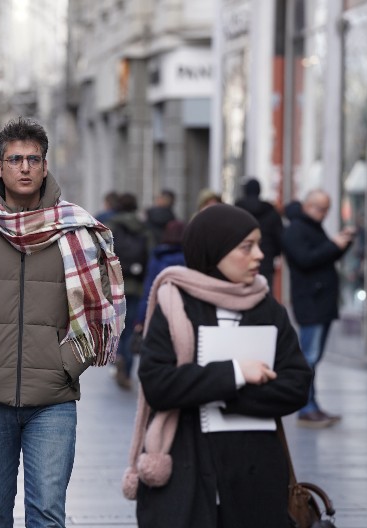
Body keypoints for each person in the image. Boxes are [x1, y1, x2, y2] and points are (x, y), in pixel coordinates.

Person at [0, 117, 126, 528]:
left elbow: (96, 309)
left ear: (45, 166)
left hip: (54, 400)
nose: (24, 167)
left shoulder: (75, 230)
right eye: (15, 158)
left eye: (33, 159)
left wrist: (67, 364)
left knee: (47, 515)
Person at [125, 204, 311, 527]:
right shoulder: (174, 303)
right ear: (215, 249)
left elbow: (296, 387)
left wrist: (222, 394)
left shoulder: (269, 309)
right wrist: (237, 373)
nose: (259, 256)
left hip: (255, 481)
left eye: (259, 245)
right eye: (246, 247)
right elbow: (158, 384)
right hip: (185, 477)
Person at [282, 189, 354, 428]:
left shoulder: (312, 227)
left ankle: (312, 405)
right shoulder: (295, 230)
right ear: (307, 206)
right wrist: (333, 244)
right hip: (310, 302)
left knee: (314, 357)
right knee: (309, 358)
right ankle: (306, 407)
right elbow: (306, 260)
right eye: (319, 208)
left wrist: (342, 243)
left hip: (321, 302)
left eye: (326, 209)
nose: (323, 214)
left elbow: (324, 257)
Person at [107, 192, 150, 389]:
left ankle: (119, 356)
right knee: (132, 325)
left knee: (117, 326)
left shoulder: (112, 226)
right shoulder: (143, 228)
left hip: (116, 284)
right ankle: (128, 367)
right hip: (137, 285)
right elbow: (149, 256)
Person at [134, 219, 186, 334]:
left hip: (160, 310)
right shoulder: (191, 257)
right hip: (186, 311)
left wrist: (141, 319)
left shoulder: (158, 257)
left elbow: (149, 289)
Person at [235, 177, 283, 286]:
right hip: (266, 260)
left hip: (241, 260)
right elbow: (279, 238)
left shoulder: (237, 211)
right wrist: (274, 253)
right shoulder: (271, 212)